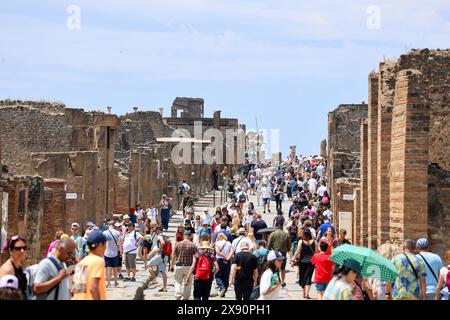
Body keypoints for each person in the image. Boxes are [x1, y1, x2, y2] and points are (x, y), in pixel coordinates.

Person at [72, 231, 107, 300]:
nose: (105, 247)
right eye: (105, 245)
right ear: (100, 245)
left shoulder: (81, 263)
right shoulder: (98, 261)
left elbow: (78, 287)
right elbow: (93, 287)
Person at [170, 230, 197, 300]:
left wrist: (172, 265)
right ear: (190, 236)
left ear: (184, 236)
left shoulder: (178, 244)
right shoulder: (193, 245)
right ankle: (185, 298)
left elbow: (173, 255)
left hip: (179, 266)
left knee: (177, 281)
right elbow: (197, 256)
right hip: (189, 267)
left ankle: (178, 294)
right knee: (188, 282)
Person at [293, 228, 316, 299]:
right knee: (309, 277)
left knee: (302, 277)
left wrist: (293, 259)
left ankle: (304, 293)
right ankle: (307, 293)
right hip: (311, 262)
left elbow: (297, 252)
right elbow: (316, 252)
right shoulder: (314, 242)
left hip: (302, 262)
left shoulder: (301, 241)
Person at [268, 222, 291, 287]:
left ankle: (277, 280)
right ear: (282, 227)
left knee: (275, 268)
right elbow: (289, 245)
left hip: (275, 253)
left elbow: (269, 244)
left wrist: (269, 250)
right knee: (283, 268)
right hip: (283, 253)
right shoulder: (285, 234)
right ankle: (283, 282)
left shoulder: (273, 234)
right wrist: (287, 249)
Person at [103, 220, 122, 288]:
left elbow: (103, 243)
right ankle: (115, 282)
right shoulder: (117, 233)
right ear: (114, 225)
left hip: (106, 252)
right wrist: (121, 252)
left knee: (108, 269)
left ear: (108, 225)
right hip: (115, 253)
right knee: (115, 268)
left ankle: (108, 283)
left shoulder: (105, 232)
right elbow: (120, 243)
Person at [214, 233, 233, 297]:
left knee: (218, 276)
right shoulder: (229, 243)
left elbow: (217, 251)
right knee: (226, 276)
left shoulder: (217, 243)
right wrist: (228, 257)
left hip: (220, 260)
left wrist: (224, 256)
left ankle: (222, 287)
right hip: (227, 260)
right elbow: (231, 251)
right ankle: (224, 291)